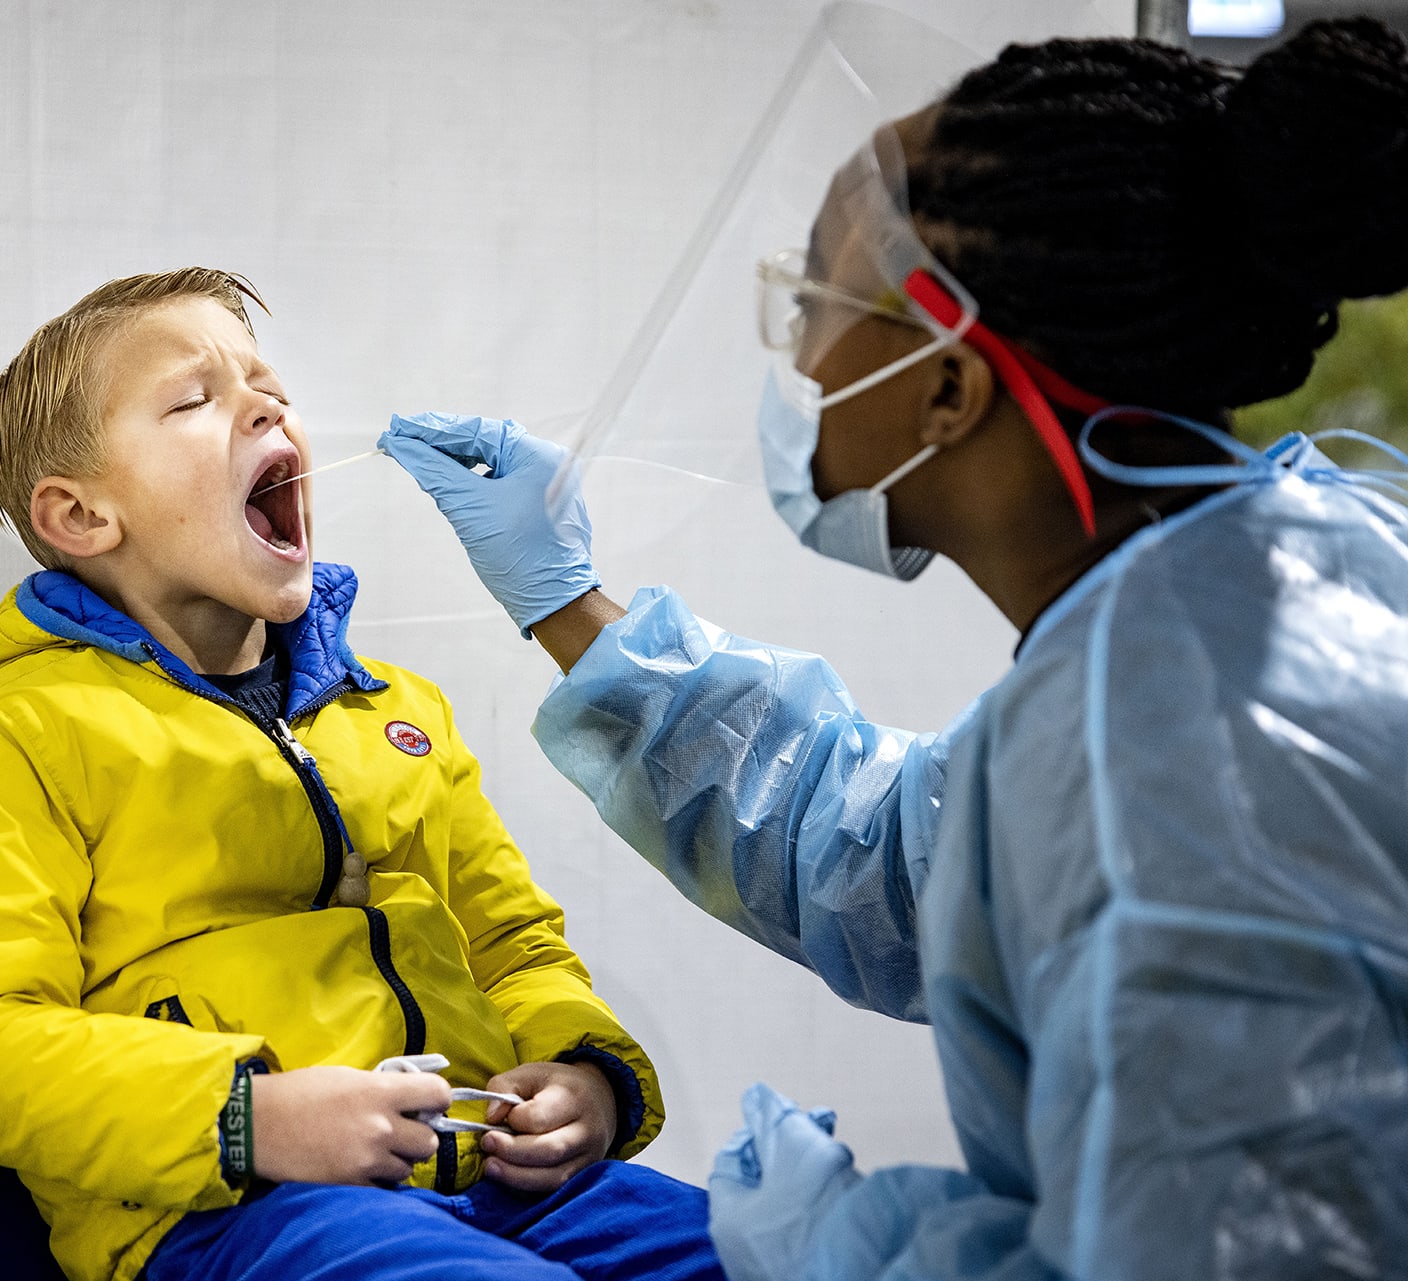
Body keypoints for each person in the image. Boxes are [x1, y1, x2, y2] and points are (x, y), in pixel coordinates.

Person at [380, 18, 1408, 1281]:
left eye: (816, 299)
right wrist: (566, 602)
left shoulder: (1180, 780)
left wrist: (843, 1251)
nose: (801, 352)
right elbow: (904, 858)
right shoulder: (1249, 594)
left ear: (947, 389)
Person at [0, 268, 724, 1281]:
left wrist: (585, 1074)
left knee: (777, 1255)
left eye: (266, 388)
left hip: (497, 1183)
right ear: (80, 519)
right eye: (195, 399)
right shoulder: (19, 738)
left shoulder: (399, 716)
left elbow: (516, 948)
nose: (264, 403)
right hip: (230, 1215)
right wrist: (247, 1118)